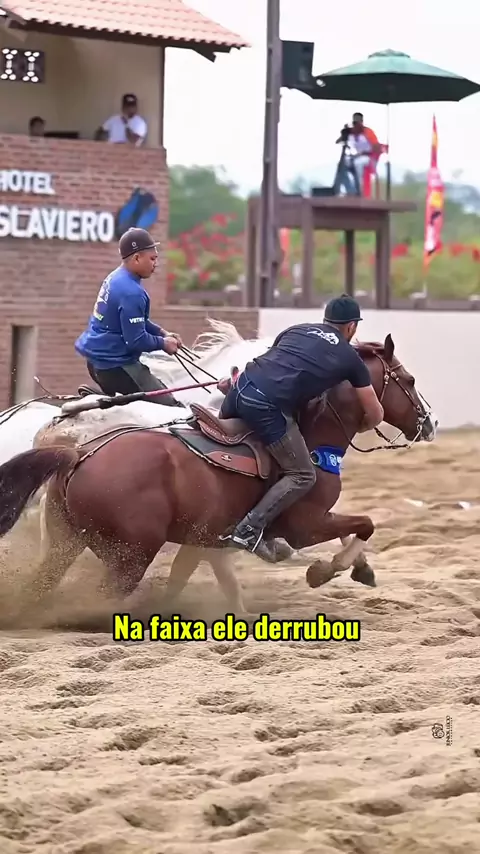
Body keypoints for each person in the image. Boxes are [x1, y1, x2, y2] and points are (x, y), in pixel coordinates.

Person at [219, 295, 384, 562]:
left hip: (237, 391)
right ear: (352, 326)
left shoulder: (296, 330)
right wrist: (365, 426)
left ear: (325, 319)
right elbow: (375, 413)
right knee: (302, 474)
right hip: (266, 408)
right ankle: (249, 530)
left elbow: (274, 364)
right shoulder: (350, 358)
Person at [75, 227, 184, 406]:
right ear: (137, 258)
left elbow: (133, 322)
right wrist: (163, 344)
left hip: (95, 362)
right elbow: (136, 340)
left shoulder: (115, 278)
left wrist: (162, 333)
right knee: (174, 409)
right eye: (152, 258)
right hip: (117, 367)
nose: (156, 264)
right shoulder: (132, 292)